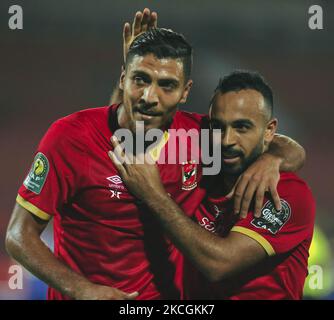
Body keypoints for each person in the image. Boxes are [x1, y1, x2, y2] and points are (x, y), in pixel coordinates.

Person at [6, 9, 305, 300]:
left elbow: (279, 144)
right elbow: (18, 235)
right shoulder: (69, 138)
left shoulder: (199, 137)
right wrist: (80, 289)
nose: (150, 97)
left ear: (185, 92)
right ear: (123, 78)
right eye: (141, 80)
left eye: (166, 85)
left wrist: (272, 158)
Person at [109, 70, 315, 300]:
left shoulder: (285, 192)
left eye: (242, 127)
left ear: (269, 130)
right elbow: (126, 135)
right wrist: (132, 79)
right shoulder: (200, 168)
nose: (227, 140)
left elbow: (219, 264)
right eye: (218, 126)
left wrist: (155, 195)